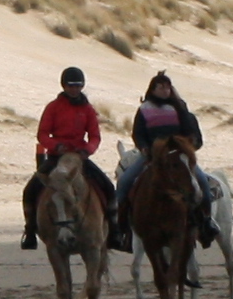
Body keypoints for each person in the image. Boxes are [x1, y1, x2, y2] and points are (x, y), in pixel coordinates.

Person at [109, 71, 205, 252]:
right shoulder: (144, 109)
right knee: (124, 182)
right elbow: (138, 132)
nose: (165, 90)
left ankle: (206, 222)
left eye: (168, 87)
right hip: (152, 156)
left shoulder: (178, 108)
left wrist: (186, 145)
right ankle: (120, 228)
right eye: (161, 87)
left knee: (202, 184)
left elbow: (189, 131)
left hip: (177, 155)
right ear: (152, 89)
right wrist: (144, 146)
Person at [27, 65, 103, 249]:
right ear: (64, 86)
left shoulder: (88, 109)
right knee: (31, 189)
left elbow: (95, 136)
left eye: (77, 86)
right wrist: (56, 146)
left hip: (79, 157)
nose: (74, 89)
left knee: (106, 186)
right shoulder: (53, 107)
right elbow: (43, 134)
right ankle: (30, 230)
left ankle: (114, 227)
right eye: (70, 86)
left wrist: (88, 149)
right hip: (56, 157)